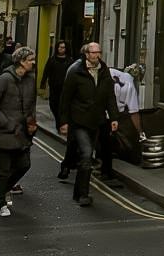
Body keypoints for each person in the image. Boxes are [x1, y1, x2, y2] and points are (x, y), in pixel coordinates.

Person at [59, 41, 120, 207]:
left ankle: (78, 193)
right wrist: (63, 122)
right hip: (79, 121)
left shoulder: (104, 71)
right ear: (86, 54)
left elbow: (110, 96)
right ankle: (83, 195)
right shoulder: (75, 72)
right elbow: (66, 99)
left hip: (96, 121)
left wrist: (114, 117)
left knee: (87, 155)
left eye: (99, 52)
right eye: (93, 53)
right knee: (86, 154)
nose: (97, 55)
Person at [0, 46, 37, 217]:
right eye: (30, 60)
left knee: (24, 164)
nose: (33, 62)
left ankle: (5, 189)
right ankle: (0, 204)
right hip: (5, 132)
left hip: (22, 132)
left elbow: (31, 104)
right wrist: (5, 123)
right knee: (5, 169)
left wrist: (32, 122)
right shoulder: (5, 79)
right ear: (21, 62)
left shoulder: (30, 79)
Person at [97, 63, 141, 187]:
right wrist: (140, 132)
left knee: (100, 140)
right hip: (112, 116)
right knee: (107, 142)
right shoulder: (130, 85)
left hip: (99, 112)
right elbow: (134, 112)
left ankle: (98, 164)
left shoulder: (109, 71)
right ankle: (106, 171)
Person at [40, 40, 74, 127]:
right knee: (53, 105)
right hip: (54, 87)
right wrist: (43, 83)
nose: (61, 49)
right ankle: (58, 120)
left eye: (63, 47)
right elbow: (46, 71)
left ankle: (61, 123)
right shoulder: (52, 59)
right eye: (59, 47)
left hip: (65, 87)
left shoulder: (70, 60)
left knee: (62, 106)